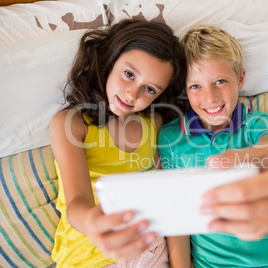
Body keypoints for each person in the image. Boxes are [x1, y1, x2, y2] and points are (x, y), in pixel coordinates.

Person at [158, 24, 268, 268]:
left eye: (220, 81)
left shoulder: (255, 123)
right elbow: (176, 217)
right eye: (196, 86)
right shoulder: (170, 139)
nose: (210, 98)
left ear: (240, 78)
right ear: (184, 89)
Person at [49, 19, 187, 267]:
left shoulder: (153, 124)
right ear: (109, 60)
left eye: (150, 89)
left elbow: (170, 202)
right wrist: (94, 221)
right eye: (129, 74)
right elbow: (77, 203)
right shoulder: (71, 124)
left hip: (147, 248)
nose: (132, 95)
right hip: (88, 253)